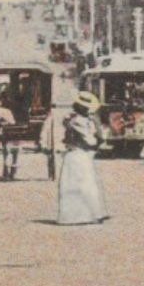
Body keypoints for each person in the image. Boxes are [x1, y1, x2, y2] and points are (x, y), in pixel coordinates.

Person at [56, 92, 109, 225]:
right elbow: (90, 140)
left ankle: (89, 214)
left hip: (78, 154)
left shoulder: (76, 119)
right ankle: (88, 215)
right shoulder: (78, 121)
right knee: (84, 184)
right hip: (79, 153)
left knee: (78, 184)